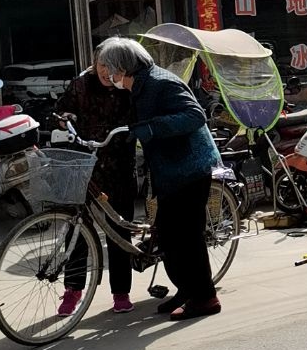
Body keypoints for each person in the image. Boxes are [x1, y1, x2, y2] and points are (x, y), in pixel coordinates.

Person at [95, 37, 223, 321]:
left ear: (122, 67)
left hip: (189, 167)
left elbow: (195, 116)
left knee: (187, 237)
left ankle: (205, 297)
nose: (105, 73)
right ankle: (186, 290)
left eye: (108, 67)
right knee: (167, 236)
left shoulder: (160, 83)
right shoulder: (137, 86)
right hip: (169, 170)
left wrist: (151, 128)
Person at [55, 53, 136, 316]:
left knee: (119, 228)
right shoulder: (80, 85)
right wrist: (64, 117)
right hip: (85, 162)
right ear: (94, 63)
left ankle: (121, 292)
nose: (106, 71)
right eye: (102, 64)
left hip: (118, 163)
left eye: (113, 66)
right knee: (77, 228)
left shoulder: (129, 86)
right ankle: (73, 289)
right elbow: (60, 110)